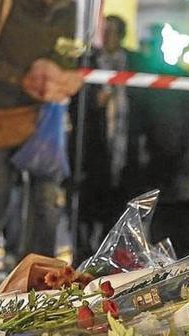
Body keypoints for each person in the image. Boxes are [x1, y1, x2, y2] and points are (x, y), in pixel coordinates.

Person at [0, 0, 83, 262]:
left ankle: (37, 274)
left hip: (43, 120)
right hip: (1, 113)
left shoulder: (68, 10)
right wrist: (23, 79)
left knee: (47, 200)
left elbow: (68, 54)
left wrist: (58, 73)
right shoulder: (7, 6)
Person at [76, 15, 134, 261]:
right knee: (91, 198)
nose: (108, 37)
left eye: (113, 32)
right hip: (95, 143)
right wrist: (95, 103)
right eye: (105, 31)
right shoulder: (91, 61)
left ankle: (110, 251)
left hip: (122, 142)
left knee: (117, 198)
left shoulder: (129, 63)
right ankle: (86, 249)